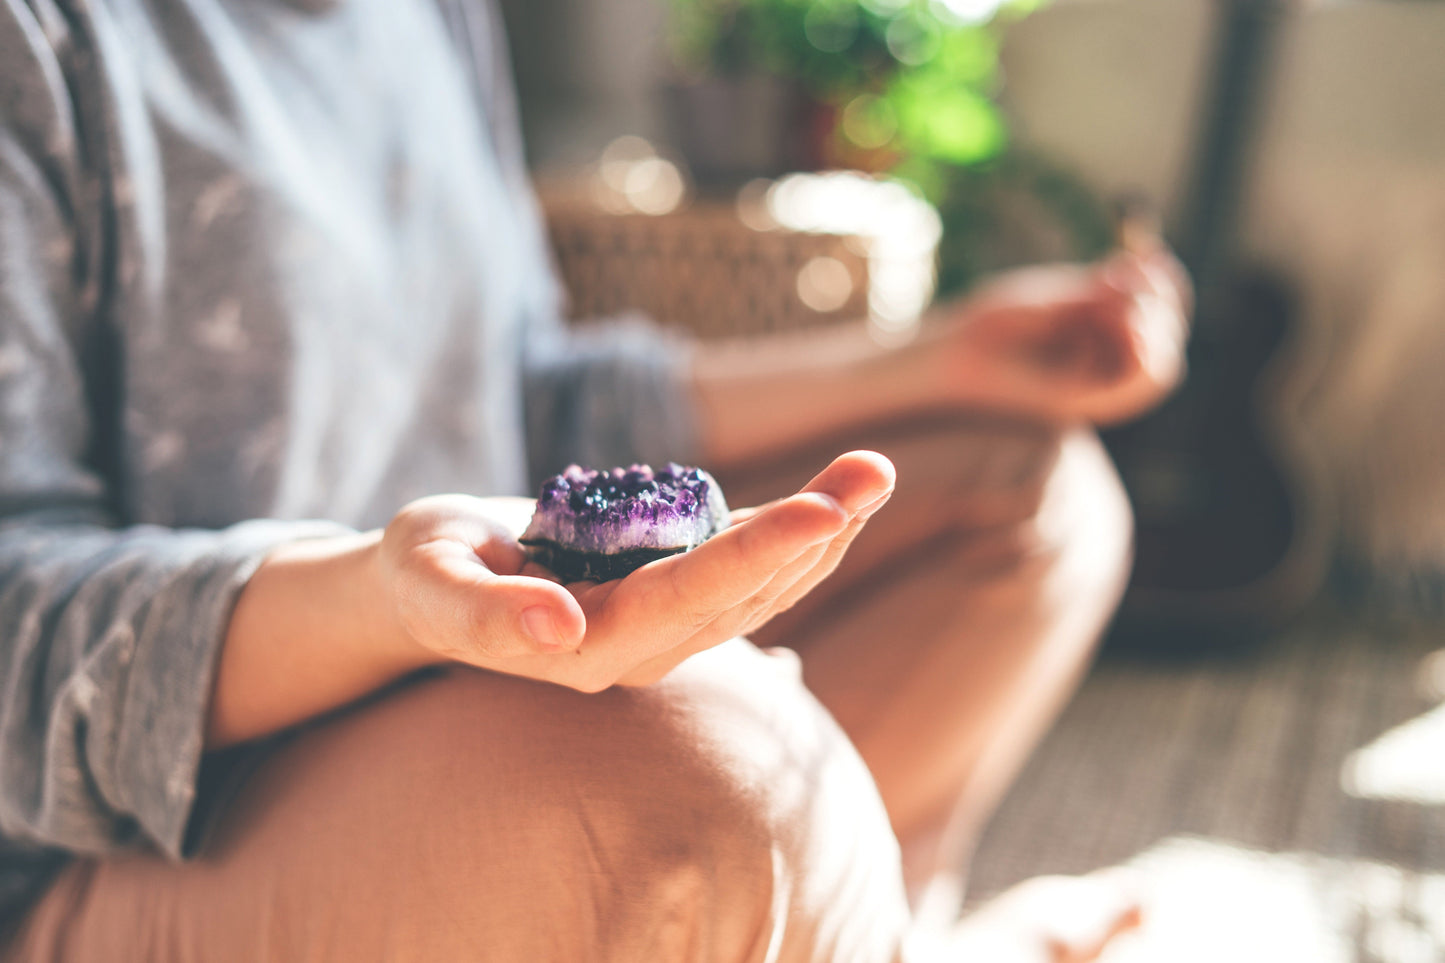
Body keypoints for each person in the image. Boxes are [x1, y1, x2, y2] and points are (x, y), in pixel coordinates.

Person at [0, 0, 1188, 959]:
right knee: (701, 778)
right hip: (117, 836)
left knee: (1027, 490)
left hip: (450, 630)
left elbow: (522, 390)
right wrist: (378, 599)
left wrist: (942, 356)